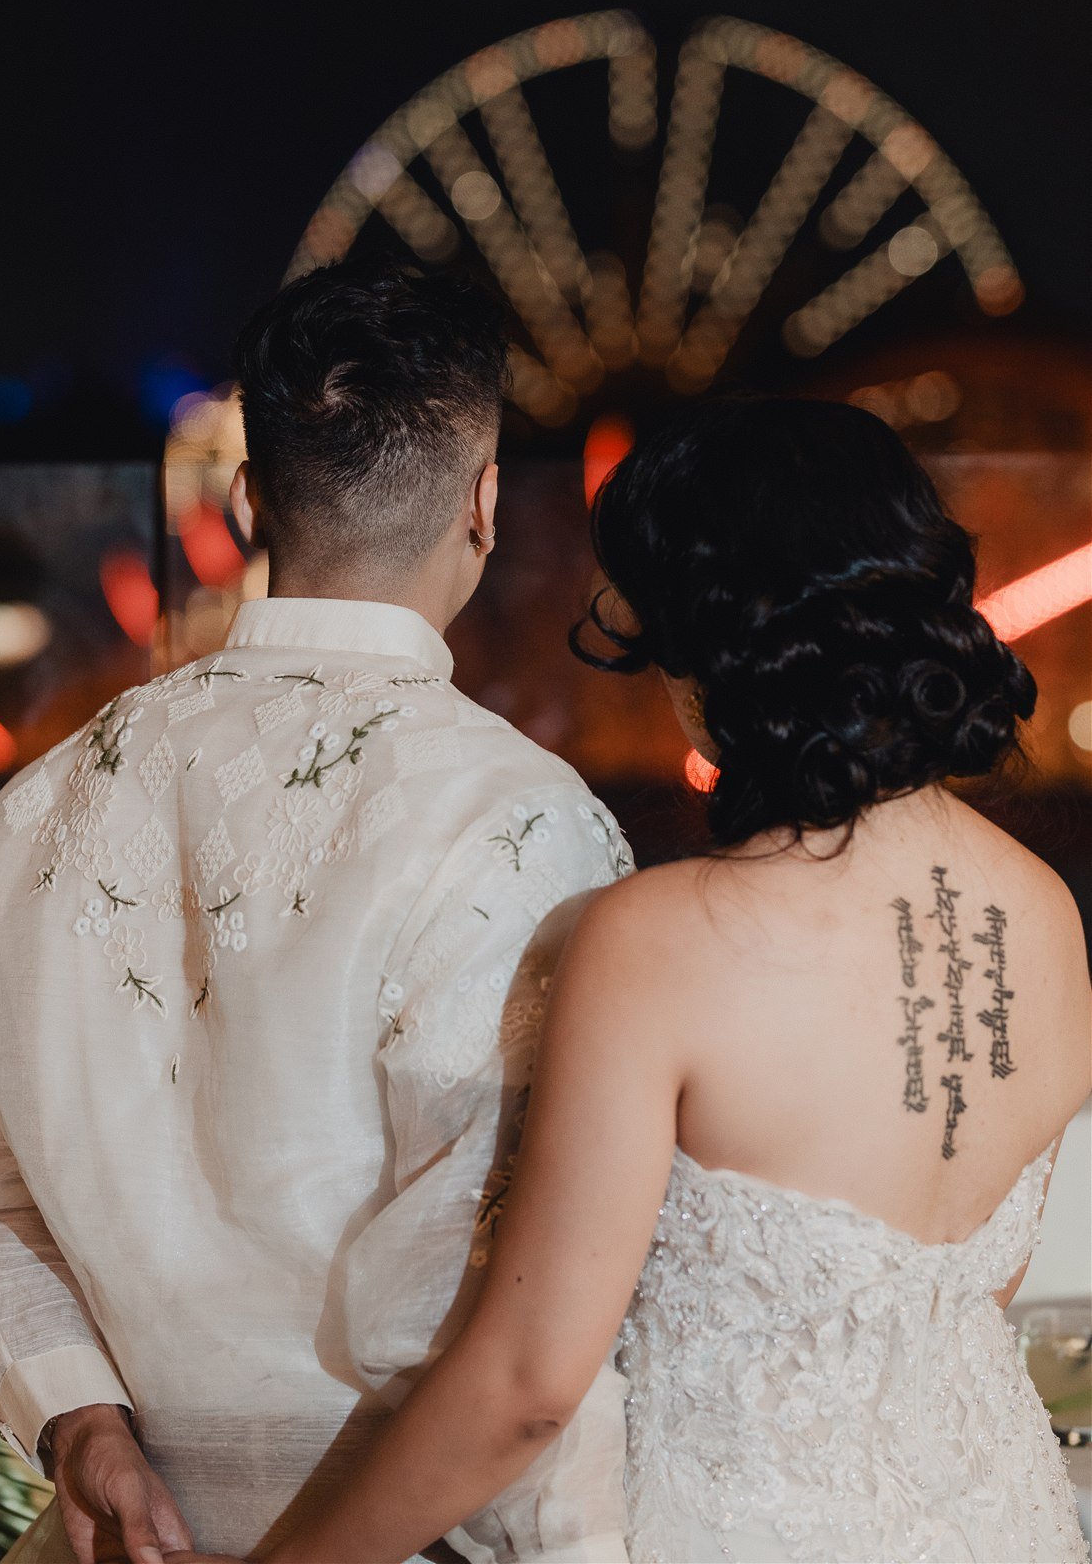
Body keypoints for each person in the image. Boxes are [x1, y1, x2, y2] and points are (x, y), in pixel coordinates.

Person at [191, 395, 1091, 1564]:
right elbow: (975, 1279)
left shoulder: (657, 938)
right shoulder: (1041, 909)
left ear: (707, 646)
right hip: (1009, 1521)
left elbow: (525, 1380)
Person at [0, 260, 634, 1564]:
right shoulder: (516, 821)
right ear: (486, 505)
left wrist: (77, 1425)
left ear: (248, 498)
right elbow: (502, 1324)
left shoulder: (41, 805)